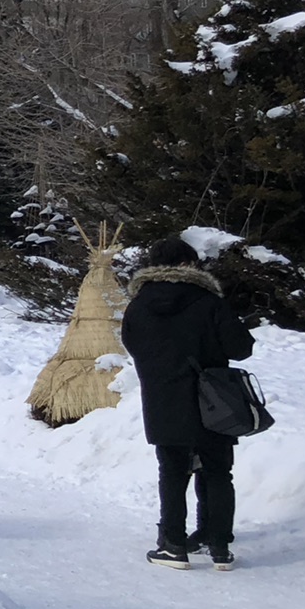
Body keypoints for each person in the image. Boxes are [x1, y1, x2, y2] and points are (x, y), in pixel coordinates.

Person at [121, 235, 255, 571]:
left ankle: (173, 545)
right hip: (214, 401)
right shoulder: (209, 301)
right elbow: (240, 347)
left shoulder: (137, 306)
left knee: (172, 472)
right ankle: (220, 546)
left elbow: (133, 347)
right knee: (218, 471)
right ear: (189, 264)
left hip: (163, 400)